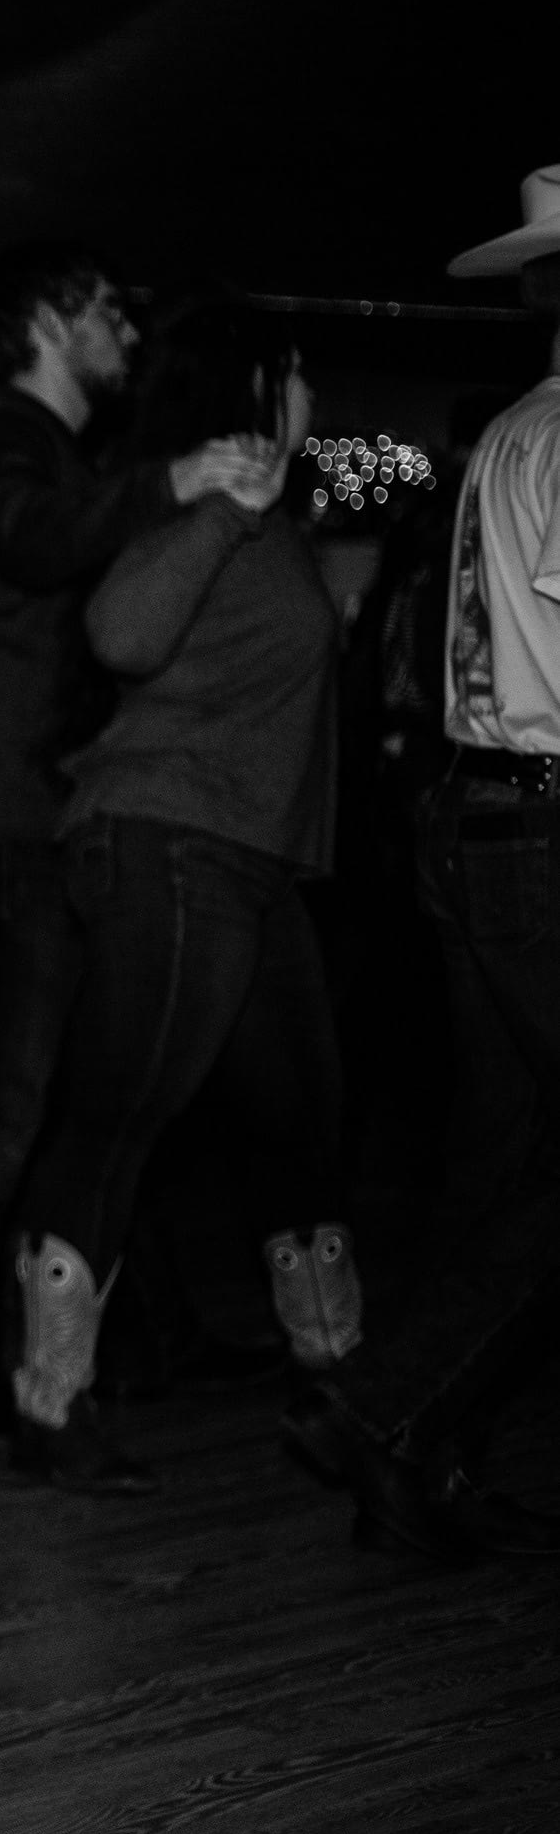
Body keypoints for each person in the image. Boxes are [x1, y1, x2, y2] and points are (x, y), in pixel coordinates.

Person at [0, 247, 274, 1435]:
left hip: (29, 814)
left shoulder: (36, 445)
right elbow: (29, 537)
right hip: (8, 823)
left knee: (98, 1093)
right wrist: (175, 478)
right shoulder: (9, 441)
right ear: (53, 323)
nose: (128, 331)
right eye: (110, 310)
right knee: (3, 1118)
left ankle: (153, 1334)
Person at [0, 299, 343, 1493]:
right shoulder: (221, 502)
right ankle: (48, 1406)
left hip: (243, 857)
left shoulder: (266, 511)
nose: (313, 394)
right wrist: (222, 508)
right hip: (173, 847)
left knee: (302, 1123)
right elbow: (119, 629)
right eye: (296, 373)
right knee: (115, 1119)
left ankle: (341, 1382)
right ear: (254, 388)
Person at [281, 170, 560, 1560]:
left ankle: (419, 1464)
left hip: (476, 814)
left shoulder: (511, 428)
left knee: (497, 1159)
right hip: (541, 824)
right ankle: (384, 1409)